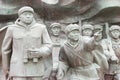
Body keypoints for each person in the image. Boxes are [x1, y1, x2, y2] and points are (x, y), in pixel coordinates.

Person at [2, 6, 52, 80]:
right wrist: (6, 69)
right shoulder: (12, 29)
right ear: (20, 16)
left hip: (36, 67)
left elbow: (49, 45)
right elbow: (5, 50)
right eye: (25, 14)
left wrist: (41, 51)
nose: (28, 16)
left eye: (30, 14)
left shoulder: (41, 28)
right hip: (18, 68)